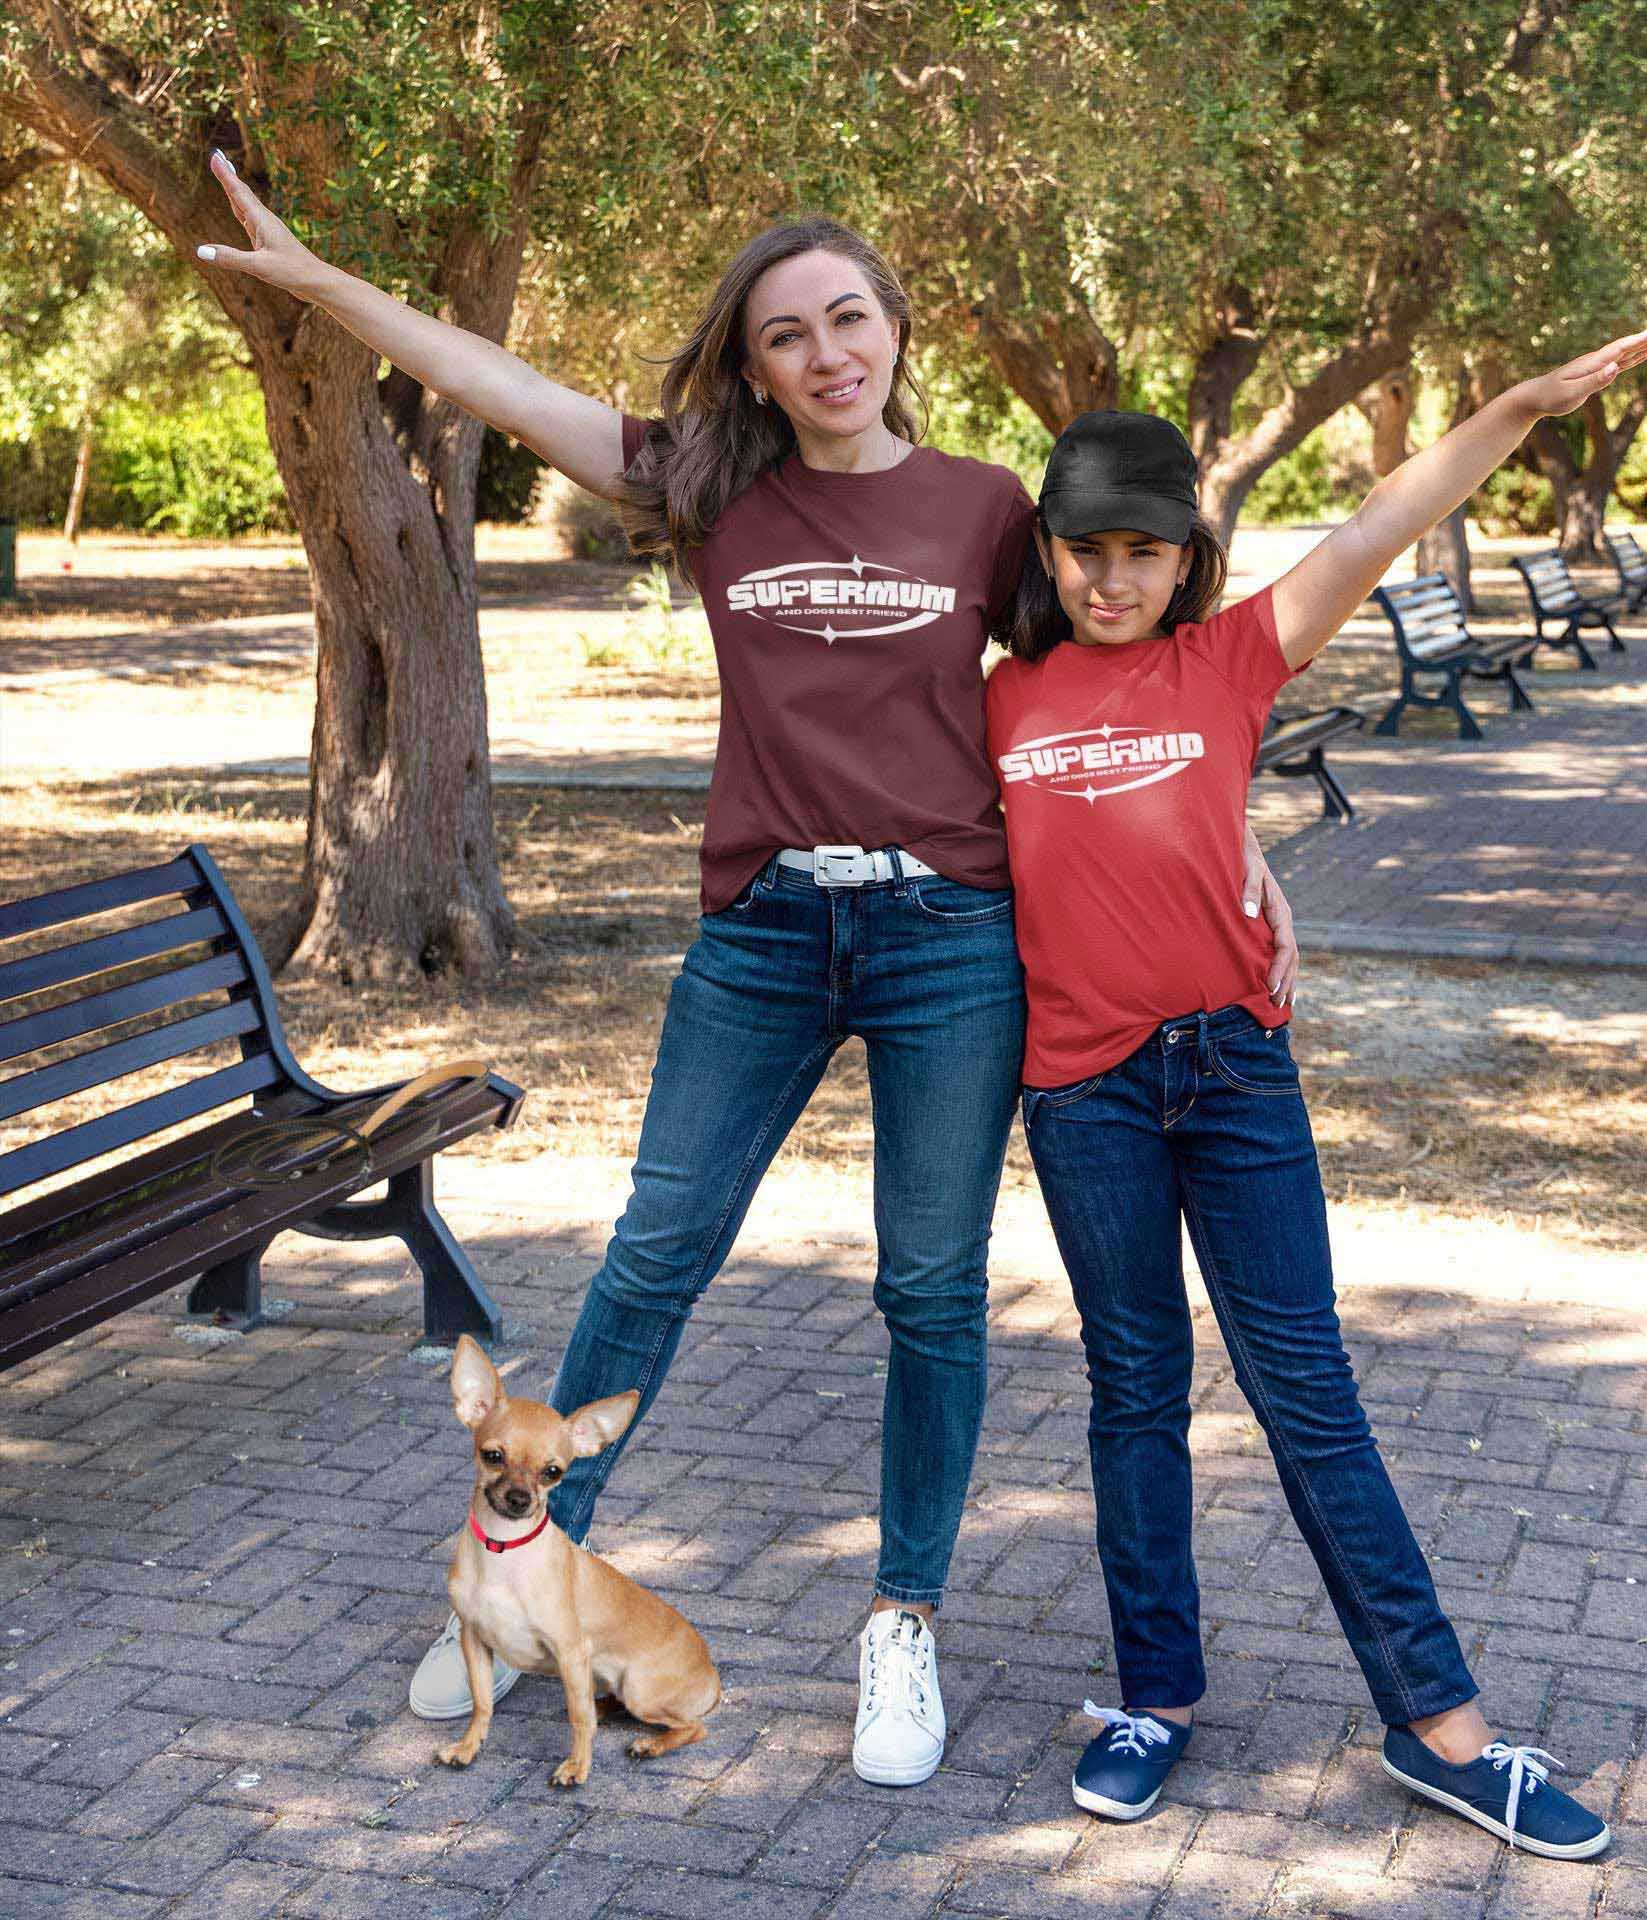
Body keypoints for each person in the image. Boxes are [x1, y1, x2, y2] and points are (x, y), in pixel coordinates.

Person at [192, 151, 1296, 1784]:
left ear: (894, 329)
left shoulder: (988, 506)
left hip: (948, 937)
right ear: (754, 366)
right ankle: (516, 1592)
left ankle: (902, 1622)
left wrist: (1230, 827)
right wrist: (325, 287)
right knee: (657, 1250)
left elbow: (1112, 693)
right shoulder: (711, 483)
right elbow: (487, 379)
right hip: (765, 931)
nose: (825, 353)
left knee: (930, 1286)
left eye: (849, 318)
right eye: (786, 335)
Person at [984, 320, 1647, 1852]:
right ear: (1048, 550)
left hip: (1233, 1069)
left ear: (1185, 564)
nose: (1112, 578)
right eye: (1085, 549)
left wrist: (1509, 401)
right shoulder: (998, 700)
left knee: (1309, 1395)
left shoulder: (1229, 659)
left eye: (1144, 553)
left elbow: (1381, 521)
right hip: (1081, 1092)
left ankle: (1444, 1729)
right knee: (1134, 1391)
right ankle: (1154, 1696)